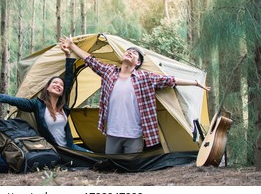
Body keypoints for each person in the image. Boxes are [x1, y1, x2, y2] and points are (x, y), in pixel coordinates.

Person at [60, 35, 211, 154]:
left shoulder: (145, 77)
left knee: (131, 171)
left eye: (134, 54)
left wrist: (195, 83)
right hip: (112, 133)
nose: (130, 53)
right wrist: (72, 46)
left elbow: (170, 80)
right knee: (112, 169)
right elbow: (89, 60)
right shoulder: (109, 72)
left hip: (135, 135)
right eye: (128, 51)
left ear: (137, 63)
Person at [0, 45, 89, 153]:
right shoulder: (37, 105)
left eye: (61, 85)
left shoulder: (63, 107)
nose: (58, 85)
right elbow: (14, 100)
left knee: (96, 157)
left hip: (70, 147)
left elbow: (69, 78)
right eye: (55, 82)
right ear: (48, 88)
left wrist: (68, 55)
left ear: (62, 92)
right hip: (56, 150)